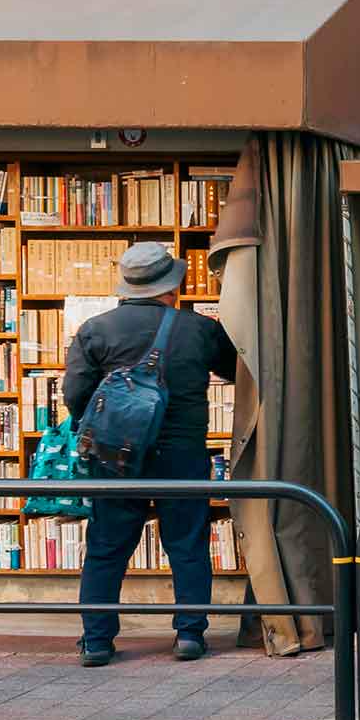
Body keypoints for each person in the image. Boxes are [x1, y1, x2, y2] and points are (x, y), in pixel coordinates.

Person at [68, 242, 239, 668]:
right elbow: (238, 371)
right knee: (187, 544)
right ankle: (189, 634)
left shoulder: (96, 329)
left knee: (107, 547)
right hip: (182, 452)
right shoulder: (199, 329)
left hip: (116, 455)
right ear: (173, 286)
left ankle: (96, 641)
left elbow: (76, 397)